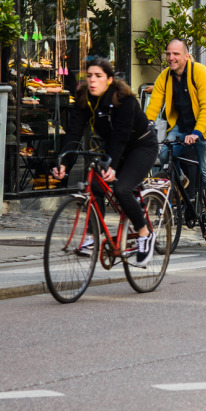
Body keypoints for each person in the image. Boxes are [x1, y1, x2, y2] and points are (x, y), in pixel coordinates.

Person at [51, 58, 159, 265]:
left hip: (141, 146)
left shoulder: (124, 99)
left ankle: (145, 233)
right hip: (113, 146)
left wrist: (112, 166)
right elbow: (74, 133)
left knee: (122, 189)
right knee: (94, 185)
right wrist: (64, 162)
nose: (92, 81)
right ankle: (93, 237)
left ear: (109, 79)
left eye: (98, 76)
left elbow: (121, 135)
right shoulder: (84, 98)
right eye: (89, 76)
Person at [145, 39, 206, 238]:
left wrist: (197, 133)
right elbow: (154, 104)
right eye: (169, 53)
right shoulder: (165, 76)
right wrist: (144, 127)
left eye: (176, 54)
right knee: (164, 154)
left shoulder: (200, 72)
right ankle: (182, 179)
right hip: (182, 126)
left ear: (186, 56)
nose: (171, 58)